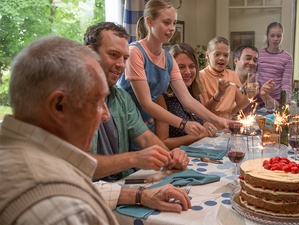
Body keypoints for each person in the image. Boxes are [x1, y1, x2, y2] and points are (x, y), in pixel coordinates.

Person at [0, 36, 191, 225]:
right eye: (98, 102)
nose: (105, 115)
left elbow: (82, 184)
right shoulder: (64, 211)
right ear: (59, 106)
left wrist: (141, 194)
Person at [83, 22, 189, 181]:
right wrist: (134, 158)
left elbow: (145, 137)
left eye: (125, 58)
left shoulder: (122, 97)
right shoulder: (70, 99)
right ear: (90, 53)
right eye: (113, 54)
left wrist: (169, 157)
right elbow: (79, 165)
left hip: (119, 184)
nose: (120, 65)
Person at [117, 0, 228, 139]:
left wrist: (218, 120)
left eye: (174, 23)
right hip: (125, 122)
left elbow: (187, 99)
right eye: (166, 22)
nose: (172, 28)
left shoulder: (168, 58)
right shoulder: (135, 52)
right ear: (149, 22)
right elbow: (146, 103)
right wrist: (183, 124)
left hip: (146, 125)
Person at [155, 43, 218, 149]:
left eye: (192, 66)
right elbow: (163, 143)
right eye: (181, 67)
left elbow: (202, 125)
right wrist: (200, 134)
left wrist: (207, 127)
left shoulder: (194, 92)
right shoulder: (162, 96)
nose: (188, 72)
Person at [199, 37, 276, 118]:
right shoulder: (201, 76)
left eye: (226, 55)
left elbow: (240, 104)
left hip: (227, 124)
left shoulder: (232, 75)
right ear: (207, 55)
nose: (222, 58)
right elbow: (203, 111)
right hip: (209, 125)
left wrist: (250, 95)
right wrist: (219, 94)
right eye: (217, 54)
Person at [257, 22, 293, 103]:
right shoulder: (259, 54)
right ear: (267, 36)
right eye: (272, 36)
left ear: (282, 37)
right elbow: (254, 77)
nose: (275, 39)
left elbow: (286, 83)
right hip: (259, 99)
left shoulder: (287, 58)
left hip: (277, 100)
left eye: (278, 36)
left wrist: (286, 102)